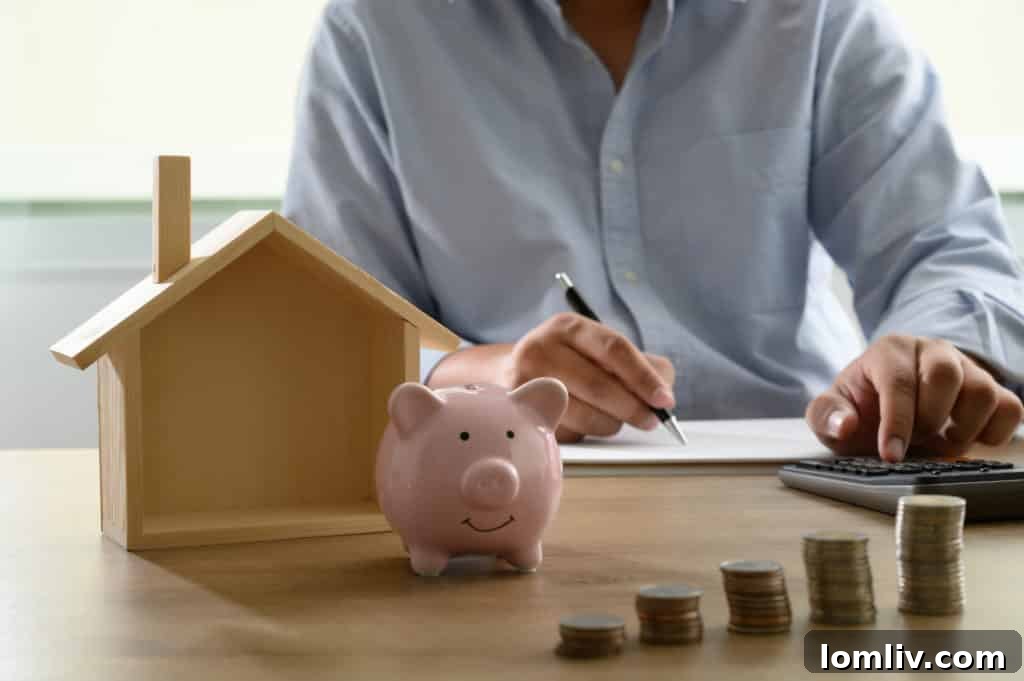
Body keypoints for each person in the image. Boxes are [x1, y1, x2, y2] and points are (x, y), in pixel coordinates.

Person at [283, 0, 1024, 460]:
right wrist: (494, 378)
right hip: (500, 484)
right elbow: (336, 332)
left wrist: (934, 357)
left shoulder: (817, 14)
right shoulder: (376, 27)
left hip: (810, 467)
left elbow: (950, 250)